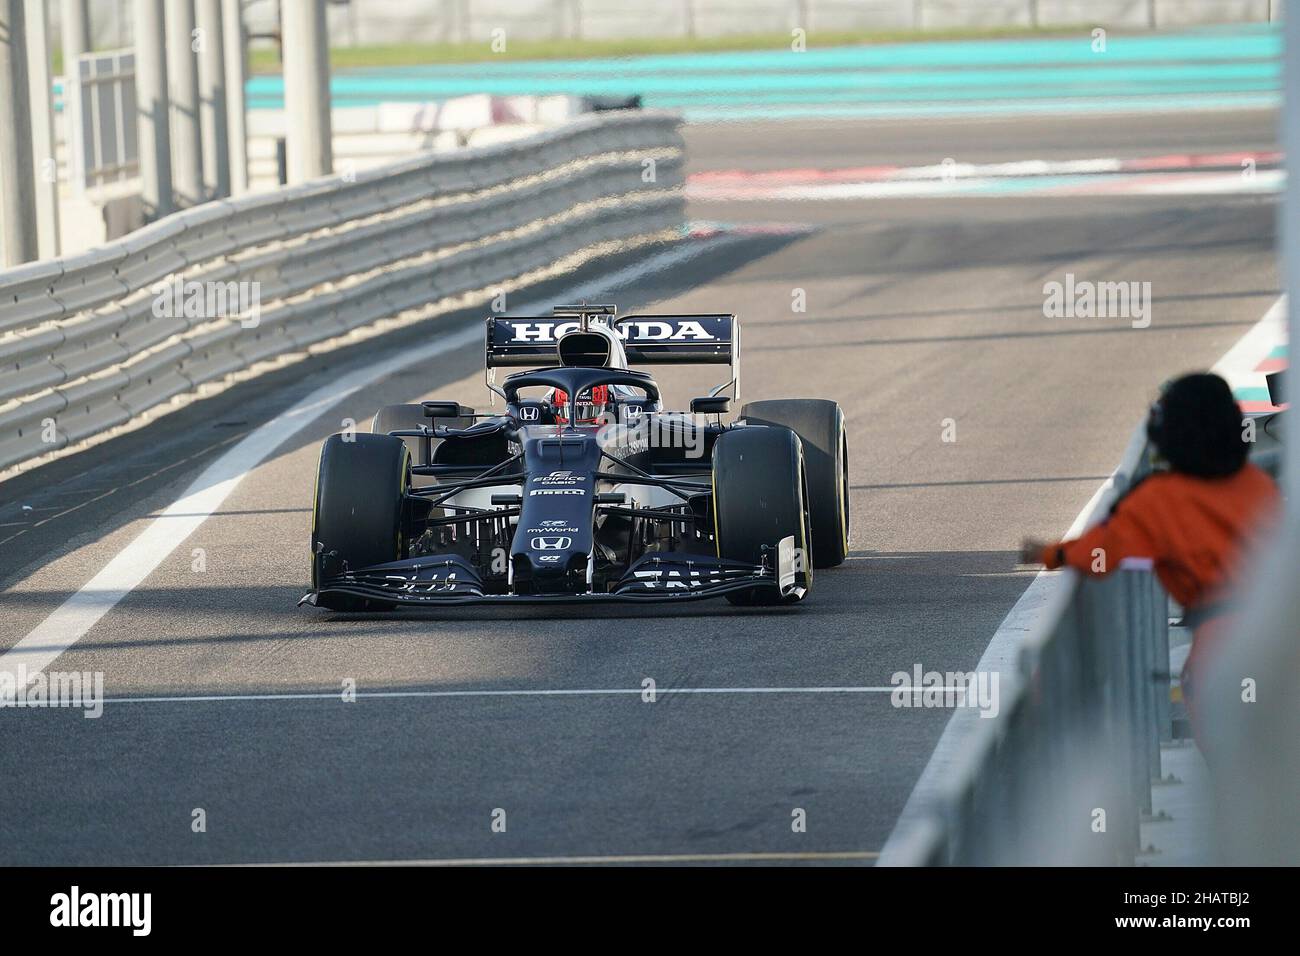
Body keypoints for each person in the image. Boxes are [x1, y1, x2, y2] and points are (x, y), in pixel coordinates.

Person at [1019, 372, 1280, 734]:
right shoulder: (1260, 485)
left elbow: (1101, 551)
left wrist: (1052, 554)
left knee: (1237, 770)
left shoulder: (1158, 499)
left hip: (1222, 644)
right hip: (1283, 624)